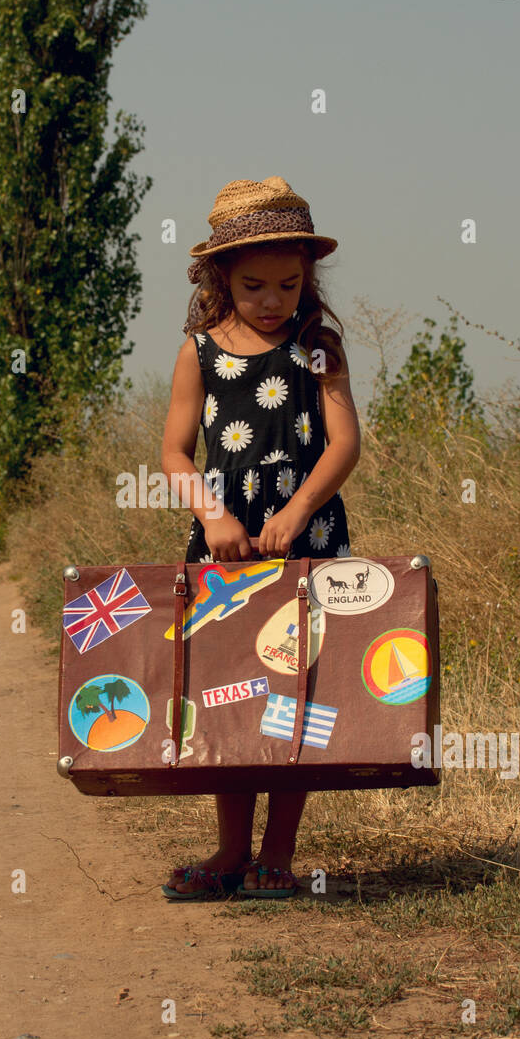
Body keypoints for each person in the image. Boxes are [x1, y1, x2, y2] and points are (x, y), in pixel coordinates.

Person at [160, 176, 361, 900]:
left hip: (307, 536)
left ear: (308, 276)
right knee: (227, 695)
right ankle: (229, 853)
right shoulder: (199, 353)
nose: (274, 300)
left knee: (298, 688)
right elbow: (175, 454)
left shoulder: (319, 348)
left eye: (288, 283)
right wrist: (215, 516)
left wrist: (299, 511)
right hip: (227, 544)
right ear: (219, 278)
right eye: (254, 286)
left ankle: (278, 855)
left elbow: (343, 445)